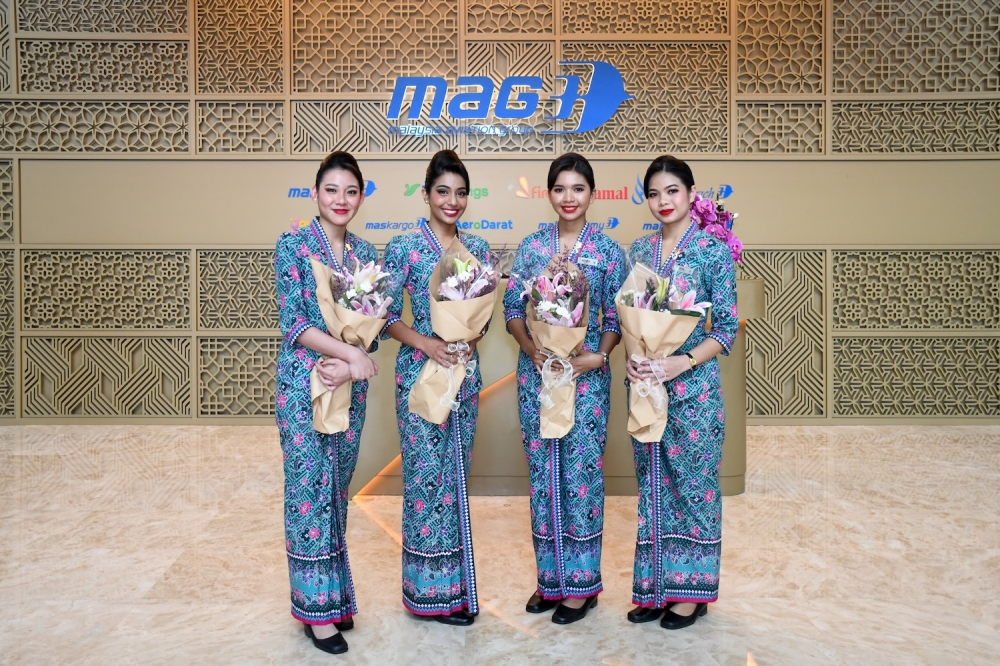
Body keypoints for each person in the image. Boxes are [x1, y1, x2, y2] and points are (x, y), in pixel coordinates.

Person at [502, 153, 625, 625]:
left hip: (586, 379)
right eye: (560, 188)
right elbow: (513, 311)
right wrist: (532, 349)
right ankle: (550, 580)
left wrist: (598, 356)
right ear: (548, 193)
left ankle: (582, 586)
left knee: (581, 477)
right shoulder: (533, 247)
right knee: (544, 475)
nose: (568, 197)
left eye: (578, 188)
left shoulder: (609, 252)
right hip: (538, 375)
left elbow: (615, 318)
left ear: (591, 193)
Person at [624, 155, 738, 630]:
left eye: (672, 190)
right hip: (648, 390)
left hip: (693, 391)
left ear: (691, 194)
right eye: (653, 193)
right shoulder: (641, 251)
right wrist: (635, 356)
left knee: (692, 489)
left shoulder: (712, 251)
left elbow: (726, 328)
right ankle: (656, 589)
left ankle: (691, 594)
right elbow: (628, 315)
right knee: (652, 487)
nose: (663, 201)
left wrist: (681, 361)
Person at [274, 151, 381, 654]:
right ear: (315, 193)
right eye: (332, 189)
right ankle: (315, 614)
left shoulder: (363, 255)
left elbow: (372, 329)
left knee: (336, 490)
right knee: (307, 492)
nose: (341, 200)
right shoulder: (293, 245)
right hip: (305, 385)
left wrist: (354, 359)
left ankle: (332, 598)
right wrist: (346, 355)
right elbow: (295, 323)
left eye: (351, 191)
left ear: (361, 196)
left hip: (347, 389)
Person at [382, 149, 491, 626]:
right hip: (420, 377)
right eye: (443, 191)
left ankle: (458, 590)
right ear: (425, 194)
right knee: (426, 483)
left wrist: (469, 335)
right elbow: (384, 318)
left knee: (455, 482)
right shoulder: (403, 248)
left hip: (465, 375)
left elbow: (484, 318)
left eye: (461, 193)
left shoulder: (480, 250)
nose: (452, 201)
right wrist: (427, 342)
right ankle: (427, 596)